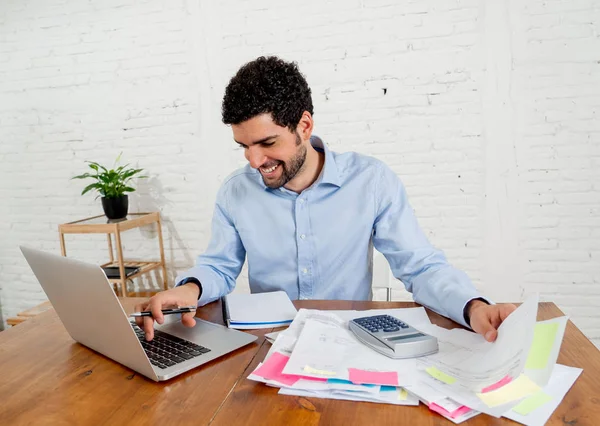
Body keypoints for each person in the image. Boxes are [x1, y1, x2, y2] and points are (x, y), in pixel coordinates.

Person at [135, 56, 516, 342]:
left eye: (267, 143)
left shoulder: (371, 181)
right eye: (244, 146)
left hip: (350, 341)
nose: (254, 161)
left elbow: (420, 267)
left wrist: (473, 306)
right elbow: (219, 266)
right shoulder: (236, 191)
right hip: (271, 344)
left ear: (304, 125)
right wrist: (190, 289)